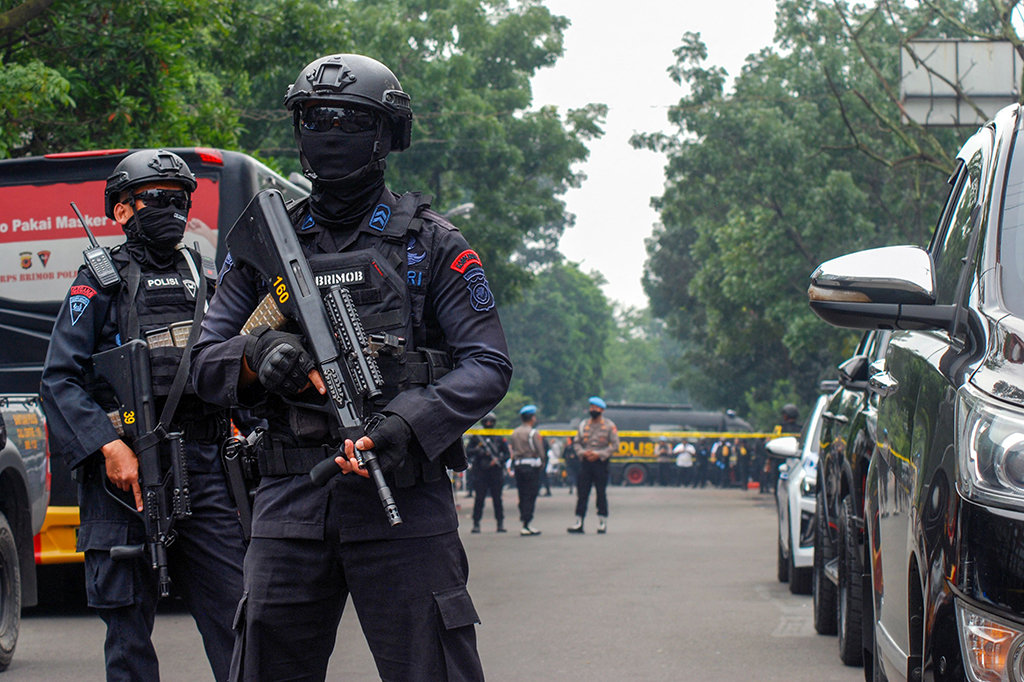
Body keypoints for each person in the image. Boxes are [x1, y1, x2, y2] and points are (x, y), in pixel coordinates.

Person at [189, 53, 512, 682]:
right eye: (314, 120)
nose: (329, 135)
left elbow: (487, 364)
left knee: (433, 668)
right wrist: (258, 356)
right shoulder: (262, 246)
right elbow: (203, 360)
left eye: (349, 121)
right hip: (290, 497)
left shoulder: (433, 245)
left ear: (387, 135)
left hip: (404, 499)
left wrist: (405, 423)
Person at [39, 149, 245, 682]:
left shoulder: (205, 276)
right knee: (128, 637)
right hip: (123, 476)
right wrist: (108, 447)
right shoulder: (99, 279)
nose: (170, 211)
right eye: (155, 199)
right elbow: (59, 377)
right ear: (122, 210)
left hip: (203, 465)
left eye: (179, 201)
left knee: (240, 621)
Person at [568, 396, 618, 534]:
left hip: (600, 463)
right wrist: (583, 453)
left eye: (595, 408)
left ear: (601, 410)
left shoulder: (609, 426)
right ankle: (579, 522)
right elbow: (576, 442)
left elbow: (615, 445)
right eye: (591, 407)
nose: (592, 410)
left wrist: (599, 454)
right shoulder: (584, 424)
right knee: (582, 492)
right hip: (585, 463)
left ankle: (602, 521)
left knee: (601, 493)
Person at [466, 412, 509, 533]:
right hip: (481, 472)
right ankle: (476, 523)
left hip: (495, 472)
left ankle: (500, 523)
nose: (489, 424)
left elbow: (507, 454)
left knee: (497, 499)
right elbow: (468, 451)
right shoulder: (477, 437)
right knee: (479, 499)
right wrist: (478, 451)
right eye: (486, 422)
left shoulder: (499, 437)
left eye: (491, 422)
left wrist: (498, 460)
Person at [509, 405, 545, 536]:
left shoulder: (514, 433)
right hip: (531, 466)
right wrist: (542, 462)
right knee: (531, 494)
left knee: (522, 493)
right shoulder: (533, 433)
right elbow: (540, 451)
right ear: (532, 418)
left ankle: (524, 519)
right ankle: (526, 522)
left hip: (518, 466)